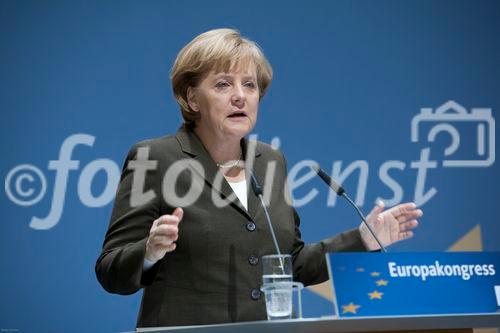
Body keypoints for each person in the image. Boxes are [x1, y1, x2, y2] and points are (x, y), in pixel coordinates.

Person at [95, 28, 422, 328]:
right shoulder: (155, 158)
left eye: (248, 85)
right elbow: (110, 271)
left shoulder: (270, 161)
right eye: (223, 84)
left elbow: (291, 263)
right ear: (192, 98)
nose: (240, 96)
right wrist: (150, 251)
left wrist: (362, 239)